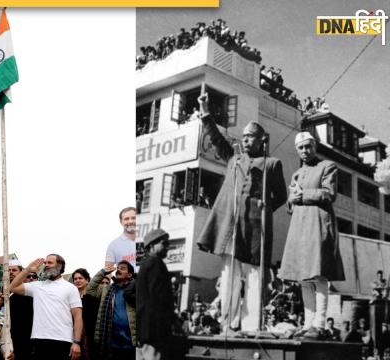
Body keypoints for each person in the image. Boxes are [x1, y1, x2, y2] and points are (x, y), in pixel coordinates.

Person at [196, 93, 287, 332]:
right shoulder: (233, 159)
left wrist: (265, 207)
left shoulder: (272, 164)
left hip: (256, 230)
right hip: (231, 227)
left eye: (251, 137)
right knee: (229, 277)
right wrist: (205, 111)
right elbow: (216, 139)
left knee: (255, 277)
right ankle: (228, 322)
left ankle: (251, 324)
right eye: (244, 137)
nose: (246, 141)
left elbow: (282, 197)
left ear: (261, 140)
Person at [279, 132, 345, 340]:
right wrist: (292, 199)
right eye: (301, 148)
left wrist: (303, 195)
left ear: (315, 147)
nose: (305, 151)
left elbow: (329, 194)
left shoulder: (327, 166)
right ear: (297, 150)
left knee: (318, 275)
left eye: (308, 146)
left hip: (318, 223)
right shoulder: (296, 174)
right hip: (299, 226)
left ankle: (320, 324)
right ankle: (308, 324)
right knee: (304, 279)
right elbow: (291, 202)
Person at [10, 254, 83, 360]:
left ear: (60, 266)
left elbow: (77, 316)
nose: (46, 265)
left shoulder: (70, 288)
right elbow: (13, 287)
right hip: (38, 340)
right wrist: (27, 269)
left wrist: (76, 342)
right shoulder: (38, 286)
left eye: (50, 262)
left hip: (62, 341)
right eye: (45, 263)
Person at [87, 260, 136, 360]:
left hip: (132, 344)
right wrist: (103, 272)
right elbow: (90, 290)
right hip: (111, 343)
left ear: (130, 274)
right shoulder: (107, 289)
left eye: (122, 268)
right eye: (118, 268)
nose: (118, 270)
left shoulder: (137, 290)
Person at [137, 229, 174, 360]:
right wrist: (172, 320)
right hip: (154, 329)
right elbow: (159, 298)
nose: (167, 247)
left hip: (144, 329)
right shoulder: (156, 263)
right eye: (164, 243)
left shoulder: (145, 264)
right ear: (152, 246)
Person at [7, 259, 34, 360]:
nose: (10, 272)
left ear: (21, 273)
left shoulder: (28, 293)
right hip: (4, 338)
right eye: (8, 270)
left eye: (14, 270)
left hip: (24, 340)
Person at [72, 268, 100, 360]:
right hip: (73, 336)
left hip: (90, 337)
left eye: (80, 278)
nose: (77, 281)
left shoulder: (94, 299)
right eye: (75, 279)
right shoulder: (70, 299)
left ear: (87, 280)